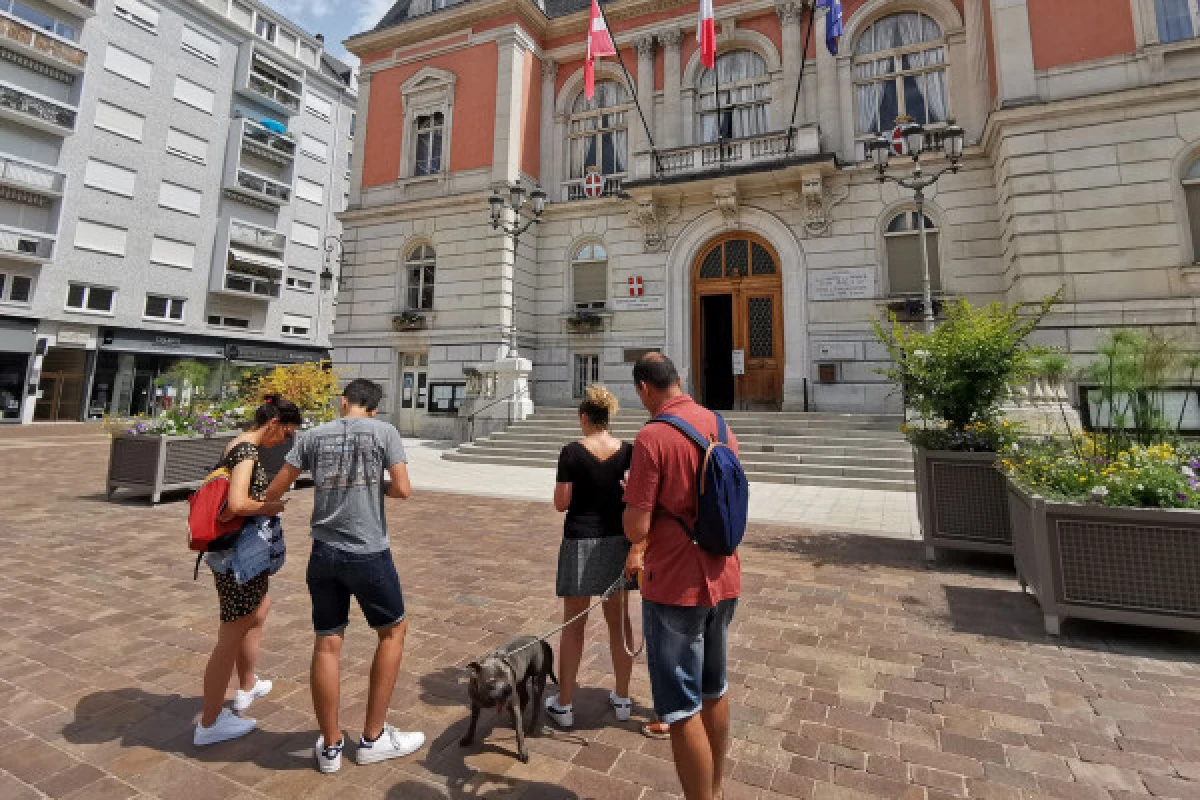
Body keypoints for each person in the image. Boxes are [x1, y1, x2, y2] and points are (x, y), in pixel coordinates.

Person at [265, 378, 424, 775]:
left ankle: (332, 745)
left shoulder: (313, 436)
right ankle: (372, 738)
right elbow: (403, 489)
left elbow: (277, 488)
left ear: (343, 402)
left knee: (327, 642)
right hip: (368, 550)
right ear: (373, 408)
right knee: (392, 631)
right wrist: (374, 487)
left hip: (324, 551)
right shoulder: (385, 432)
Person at [622, 353, 741, 800]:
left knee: (680, 708)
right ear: (680, 379)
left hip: (675, 584)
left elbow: (636, 527)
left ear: (643, 389)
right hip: (724, 574)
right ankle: (715, 789)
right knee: (716, 689)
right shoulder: (721, 426)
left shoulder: (653, 437)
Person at [194, 395, 300, 746]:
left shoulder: (236, 444)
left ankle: (247, 685)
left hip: (235, 552)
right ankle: (209, 723)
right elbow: (238, 503)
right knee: (231, 634)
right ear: (273, 423)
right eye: (285, 433)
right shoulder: (248, 452)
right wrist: (272, 505)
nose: (284, 441)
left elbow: (227, 505)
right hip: (236, 555)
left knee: (257, 611)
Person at [543, 385, 637, 729]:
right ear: (608, 418)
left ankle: (564, 704)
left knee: (574, 625)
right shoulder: (629, 451)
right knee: (620, 623)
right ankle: (624, 698)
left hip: (580, 540)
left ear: (585, 418)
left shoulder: (571, 452)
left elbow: (561, 502)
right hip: (617, 541)